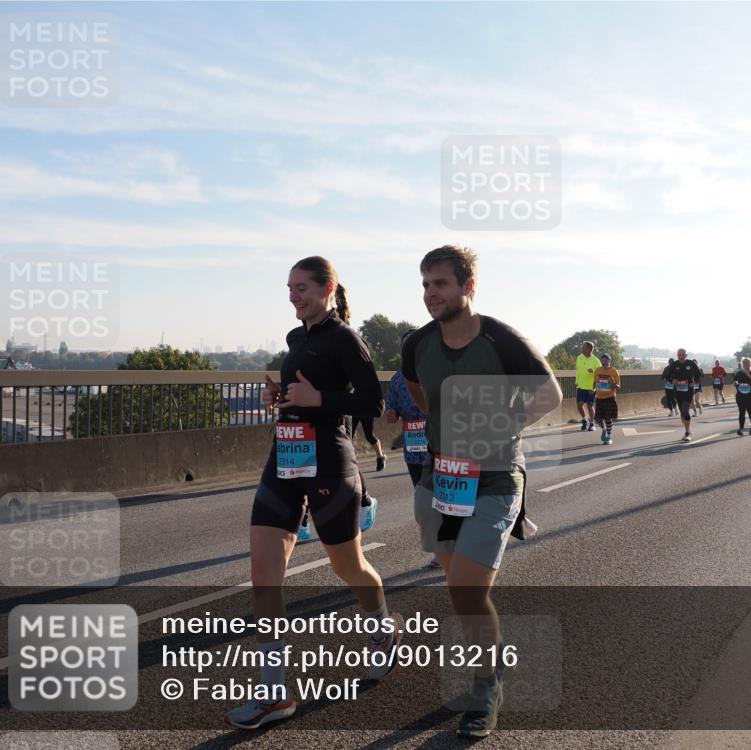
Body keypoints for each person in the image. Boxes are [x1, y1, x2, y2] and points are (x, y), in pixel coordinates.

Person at [227, 256, 399, 730]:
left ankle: (382, 629)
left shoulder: (344, 338)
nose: (292, 295)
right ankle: (275, 691)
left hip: (328, 460)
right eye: (288, 287)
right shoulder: (296, 339)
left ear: (327, 289)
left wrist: (318, 400)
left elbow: (373, 402)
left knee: (349, 566)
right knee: (264, 574)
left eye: (301, 287)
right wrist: (279, 399)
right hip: (285, 458)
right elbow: (299, 394)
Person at [401, 245, 562, 738]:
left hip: (494, 476)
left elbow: (551, 395)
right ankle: (489, 662)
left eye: (441, 284)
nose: (431, 294)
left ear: (468, 287)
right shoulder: (417, 344)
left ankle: (485, 686)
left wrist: (498, 425)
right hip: (441, 476)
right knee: (461, 592)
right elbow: (418, 391)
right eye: (426, 284)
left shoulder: (503, 340)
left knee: (467, 588)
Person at [385, 350, 440, 569]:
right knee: (424, 501)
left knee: (442, 497)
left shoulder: (435, 374)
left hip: (437, 445)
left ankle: (445, 550)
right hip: (413, 451)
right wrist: (391, 414)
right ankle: (440, 548)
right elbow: (392, 410)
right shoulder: (397, 379)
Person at [666, 348, 702, 442]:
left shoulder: (691, 364)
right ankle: (688, 429)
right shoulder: (674, 364)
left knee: (686, 410)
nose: (681, 357)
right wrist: (672, 380)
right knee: (682, 413)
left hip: (689, 390)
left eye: (682, 355)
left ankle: (686, 433)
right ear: (677, 355)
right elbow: (667, 376)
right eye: (679, 355)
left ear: (686, 355)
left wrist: (694, 382)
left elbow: (699, 374)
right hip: (678, 391)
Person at [593, 353, 620, 445]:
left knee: (608, 419)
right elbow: (594, 383)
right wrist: (592, 390)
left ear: (609, 361)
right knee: (597, 419)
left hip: (609, 397)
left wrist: (613, 384)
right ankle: (604, 429)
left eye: (606, 360)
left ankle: (608, 436)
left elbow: (618, 387)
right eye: (602, 360)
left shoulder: (614, 371)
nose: (604, 362)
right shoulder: (597, 370)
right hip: (599, 398)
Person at [732, 357, 751, 436]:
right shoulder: (739, 373)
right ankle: (741, 429)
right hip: (740, 396)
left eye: (747, 363)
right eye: (744, 363)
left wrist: (748, 375)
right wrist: (735, 383)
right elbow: (735, 382)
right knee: (741, 412)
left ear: (750, 364)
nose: (745, 364)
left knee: (750, 411)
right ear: (742, 364)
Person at [575, 341, 598, 432]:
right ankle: (585, 420)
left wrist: (592, 372)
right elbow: (578, 371)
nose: (582, 348)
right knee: (579, 405)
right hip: (580, 386)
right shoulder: (579, 358)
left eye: (584, 347)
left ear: (589, 349)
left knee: (589, 406)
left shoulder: (595, 360)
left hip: (590, 387)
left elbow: (599, 374)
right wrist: (576, 381)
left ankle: (592, 423)